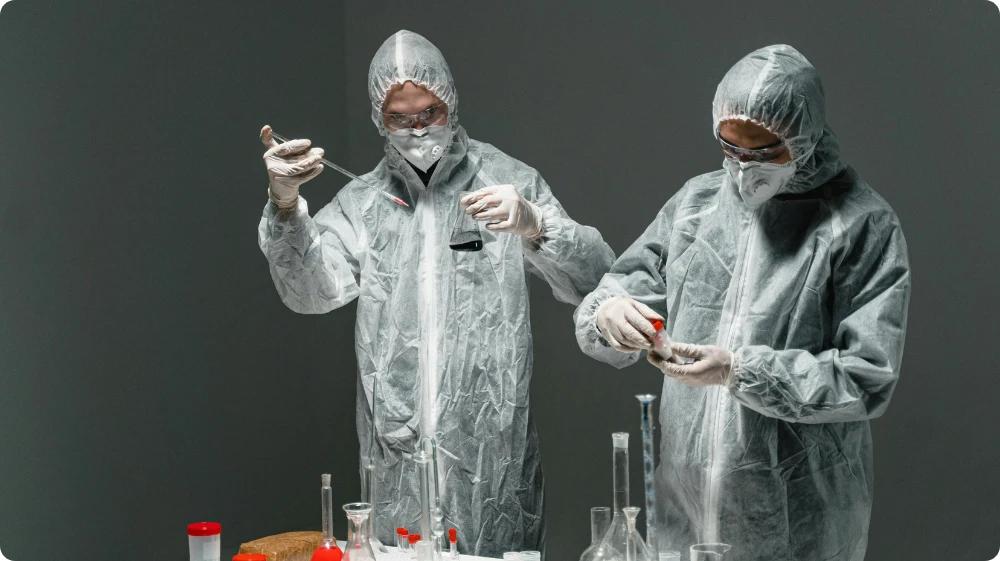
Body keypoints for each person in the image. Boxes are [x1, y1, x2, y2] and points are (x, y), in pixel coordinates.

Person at [258, 30, 614, 557]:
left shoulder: (507, 180)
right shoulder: (363, 203)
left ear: (450, 99)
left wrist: (537, 225)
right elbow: (310, 291)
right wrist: (285, 205)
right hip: (397, 463)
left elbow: (596, 279)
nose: (418, 127)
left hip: (492, 467)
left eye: (430, 110)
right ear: (380, 119)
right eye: (401, 117)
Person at [574, 45, 910, 561]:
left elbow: (867, 376)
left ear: (804, 137)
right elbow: (629, 281)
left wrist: (738, 371)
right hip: (682, 501)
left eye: (763, 152)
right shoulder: (696, 204)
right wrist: (610, 311)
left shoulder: (860, 223)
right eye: (730, 150)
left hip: (797, 512)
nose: (742, 168)